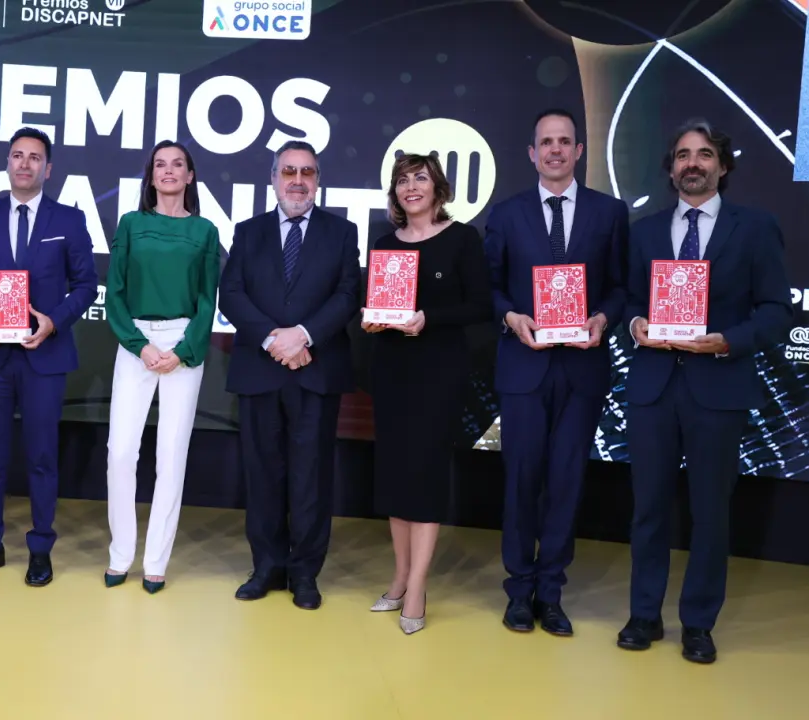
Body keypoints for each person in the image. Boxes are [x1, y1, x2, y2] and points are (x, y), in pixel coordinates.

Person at [618, 120, 791, 664]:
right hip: (653, 387)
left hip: (719, 387)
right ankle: (644, 615)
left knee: (711, 513)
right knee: (648, 509)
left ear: (723, 164)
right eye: (683, 155)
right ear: (671, 169)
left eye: (704, 154)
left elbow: (776, 311)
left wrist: (728, 341)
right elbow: (627, 300)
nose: (693, 163)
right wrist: (636, 325)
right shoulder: (644, 231)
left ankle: (698, 623)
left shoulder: (756, 228)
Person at [483, 109, 629, 635]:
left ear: (579, 150)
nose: (556, 150)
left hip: (582, 368)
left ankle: (551, 593)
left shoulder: (609, 213)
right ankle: (518, 591)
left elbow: (621, 286)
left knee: (566, 482)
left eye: (565, 141)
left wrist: (603, 318)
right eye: (546, 142)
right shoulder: (506, 214)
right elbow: (489, 285)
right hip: (524, 365)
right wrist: (510, 316)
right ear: (532, 153)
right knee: (521, 481)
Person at [218, 140, 360, 610]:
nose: (298, 181)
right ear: (274, 178)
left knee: (311, 477)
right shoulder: (248, 231)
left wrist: (303, 336)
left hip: (316, 371)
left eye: (307, 172)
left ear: (318, 180)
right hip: (260, 370)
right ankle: (266, 567)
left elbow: (347, 295)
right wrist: (272, 340)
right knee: (262, 474)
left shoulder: (342, 232)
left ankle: (304, 573)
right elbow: (231, 294)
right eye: (289, 171)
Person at [0, 127, 98, 586]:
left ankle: (40, 548)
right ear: (7, 162)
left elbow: (86, 285)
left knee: (41, 457)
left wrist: (53, 321)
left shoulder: (69, 220)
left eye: (34, 157)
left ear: (48, 169)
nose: (24, 163)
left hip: (45, 356)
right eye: (17, 155)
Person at [363, 151, 492, 633]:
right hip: (391, 370)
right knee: (395, 475)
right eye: (402, 180)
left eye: (420, 178)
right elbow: (375, 303)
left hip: (439, 371)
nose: (411, 187)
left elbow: (480, 305)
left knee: (427, 475)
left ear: (438, 188)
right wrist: (371, 319)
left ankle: (418, 586)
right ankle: (399, 577)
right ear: (394, 192)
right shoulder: (384, 243)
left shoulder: (462, 238)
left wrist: (428, 319)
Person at [103, 140, 221, 594]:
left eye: (177, 165)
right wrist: (139, 345)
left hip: (182, 342)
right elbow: (115, 294)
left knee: (171, 455)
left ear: (190, 176)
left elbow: (208, 300)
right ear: (150, 176)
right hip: (137, 341)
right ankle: (120, 554)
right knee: (120, 452)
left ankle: (155, 561)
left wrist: (184, 350)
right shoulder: (131, 224)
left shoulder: (205, 230)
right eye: (160, 165)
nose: (168, 171)